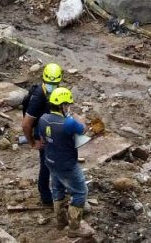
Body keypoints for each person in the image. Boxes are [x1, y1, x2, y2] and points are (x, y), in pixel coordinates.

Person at [37, 87, 96, 238]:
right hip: (67, 164)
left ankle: (61, 221)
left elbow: (43, 141)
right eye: (67, 104)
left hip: (50, 161)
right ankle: (74, 228)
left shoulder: (43, 119)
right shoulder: (68, 123)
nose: (68, 107)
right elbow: (82, 129)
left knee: (57, 189)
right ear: (63, 105)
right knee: (80, 193)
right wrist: (76, 118)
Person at [18, 63, 65, 210]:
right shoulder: (39, 96)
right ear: (44, 80)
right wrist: (33, 142)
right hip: (41, 133)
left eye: (55, 83)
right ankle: (46, 196)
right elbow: (26, 124)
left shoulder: (54, 91)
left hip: (50, 129)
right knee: (46, 164)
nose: (52, 85)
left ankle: (58, 189)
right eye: (50, 83)